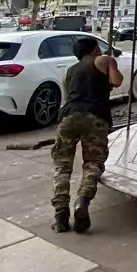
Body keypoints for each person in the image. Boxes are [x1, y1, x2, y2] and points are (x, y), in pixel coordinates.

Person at [51, 36, 122, 233]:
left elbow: (67, 97)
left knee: (62, 167)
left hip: (68, 117)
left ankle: (60, 216)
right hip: (95, 116)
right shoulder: (103, 60)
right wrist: (112, 66)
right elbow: (117, 82)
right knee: (93, 163)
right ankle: (82, 200)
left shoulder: (69, 71)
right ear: (94, 50)